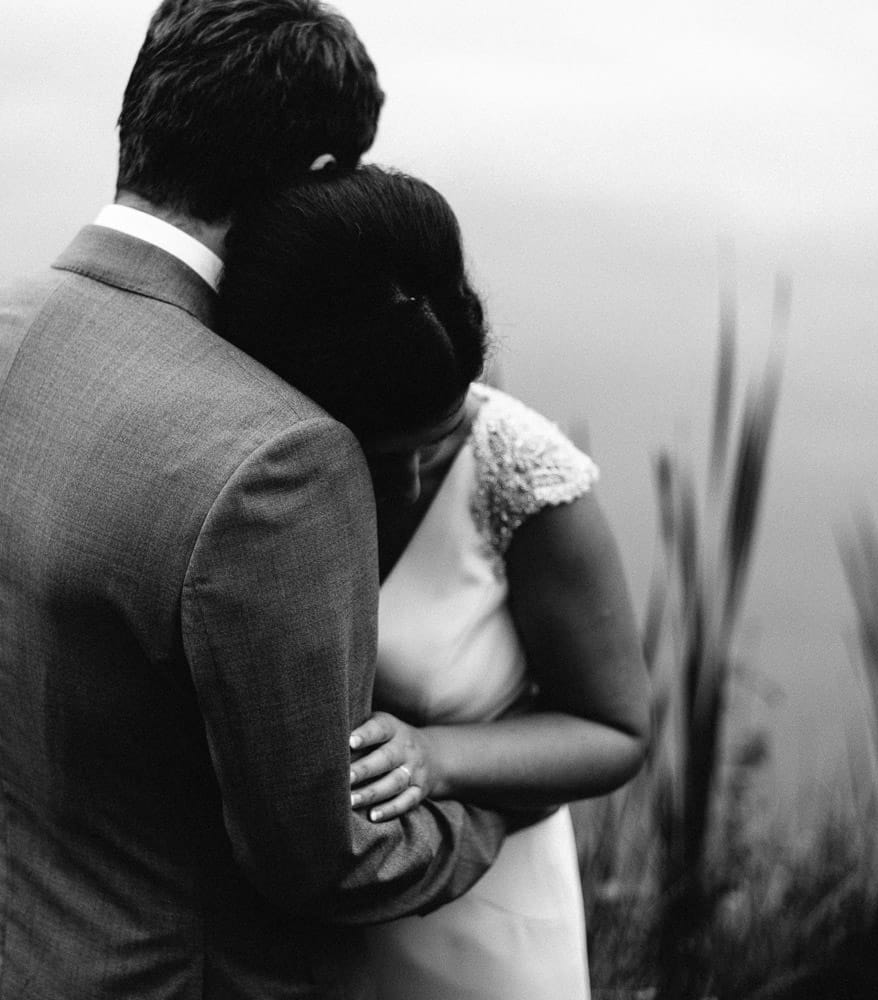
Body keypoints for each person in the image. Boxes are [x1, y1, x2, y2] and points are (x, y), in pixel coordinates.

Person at [0, 3, 527, 997]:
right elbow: (327, 859)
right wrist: (497, 808)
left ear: (143, 111)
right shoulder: (282, 457)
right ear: (322, 175)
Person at [216, 166, 650, 998]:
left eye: (438, 442)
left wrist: (436, 756)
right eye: (383, 458)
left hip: (482, 936)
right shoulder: (257, 465)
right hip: (285, 944)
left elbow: (616, 730)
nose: (413, 483)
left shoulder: (524, 478)